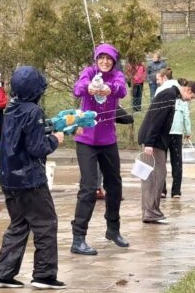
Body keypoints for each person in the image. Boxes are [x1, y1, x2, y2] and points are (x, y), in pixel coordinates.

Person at [0, 66, 66, 290]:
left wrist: (46, 130)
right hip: (30, 179)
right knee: (46, 224)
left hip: (9, 178)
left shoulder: (11, 108)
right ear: (36, 89)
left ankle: (1, 274)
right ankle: (44, 275)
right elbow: (36, 147)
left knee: (19, 225)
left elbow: (23, 137)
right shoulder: (34, 111)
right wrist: (55, 140)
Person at [70, 43, 129, 256]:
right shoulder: (88, 72)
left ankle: (113, 229)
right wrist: (89, 87)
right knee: (88, 188)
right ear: (96, 59)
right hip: (85, 140)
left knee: (115, 185)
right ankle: (78, 238)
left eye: (109, 59)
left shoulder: (117, 77)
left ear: (114, 61)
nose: (104, 62)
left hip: (108, 141)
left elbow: (122, 89)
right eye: (101, 58)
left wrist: (109, 89)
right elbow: (78, 88)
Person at [138, 78, 195, 223]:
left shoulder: (172, 94)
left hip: (156, 141)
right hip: (153, 142)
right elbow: (156, 119)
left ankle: (150, 211)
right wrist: (149, 142)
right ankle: (150, 212)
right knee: (154, 177)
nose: (190, 100)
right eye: (192, 97)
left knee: (155, 176)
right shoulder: (169, 94)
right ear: (188, 90)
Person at [156, 68, 192, 199]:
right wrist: (188, 131)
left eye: (158, 79)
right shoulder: (181, 92)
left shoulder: (160, 90)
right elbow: (185, 114)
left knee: (161, 161)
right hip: (177, 131)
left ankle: (161, 189)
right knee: (177, 161)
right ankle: (176, 191)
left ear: (164, 78)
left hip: (163, 130)